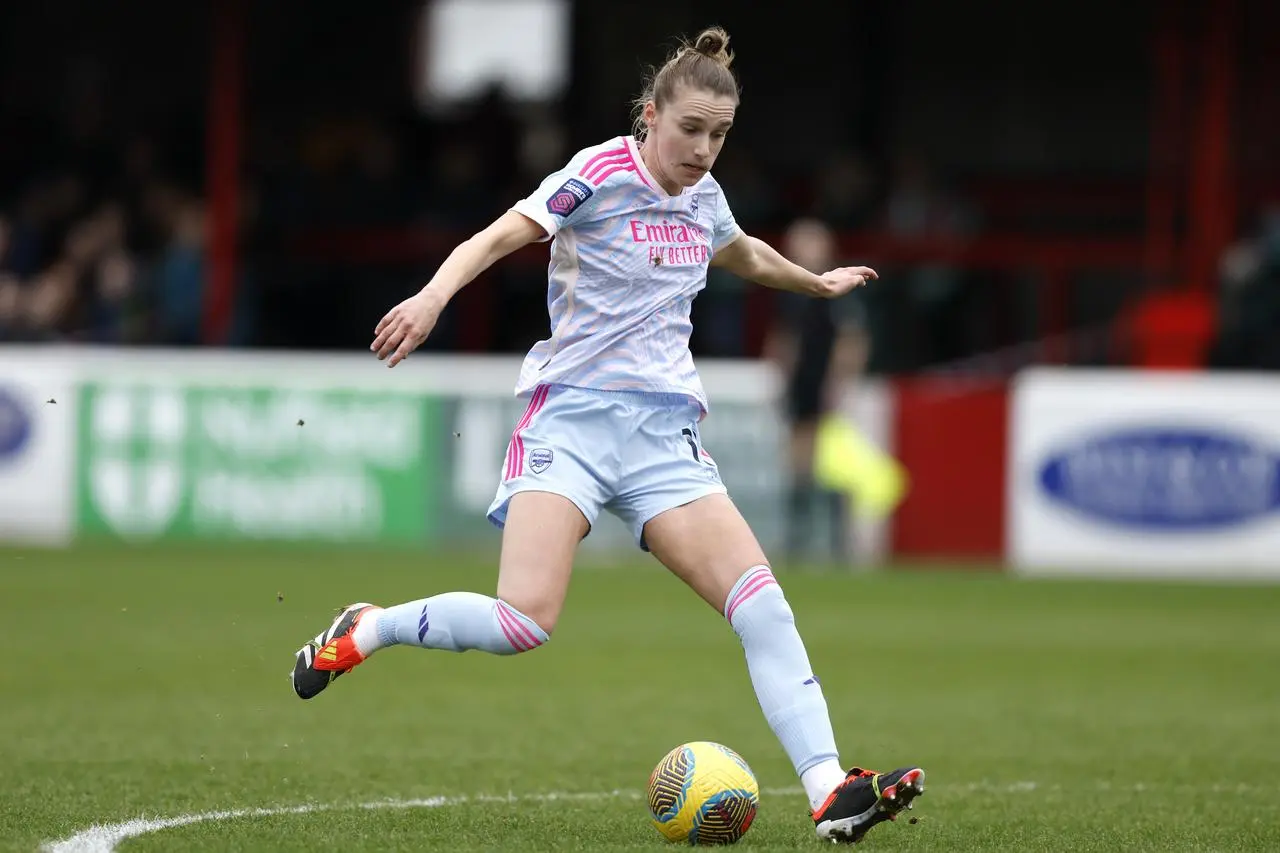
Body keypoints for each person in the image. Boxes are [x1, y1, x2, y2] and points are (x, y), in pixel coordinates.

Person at [290, 27, 923, 844]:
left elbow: (743, 254)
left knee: (763, 605)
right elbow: (496, 236)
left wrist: (813, 282)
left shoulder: (704, 196)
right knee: (524, 620)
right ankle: (367, 626)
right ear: (651, 116)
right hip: (573, 422)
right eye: (690, 130)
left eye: (720, 135)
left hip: (663, 437)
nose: (703, 150)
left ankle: (830, 788)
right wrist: (431, 298)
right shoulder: (596, 173)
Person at [766, 218, 871, 563]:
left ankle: (838, 541)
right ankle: (801, 538)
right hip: (802, 386)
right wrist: (782, 376)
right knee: (799, 463)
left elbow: (851, 340)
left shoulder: (836, 289)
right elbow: (785, 339)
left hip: (826, 386)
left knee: (831, 463)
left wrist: (839, 382)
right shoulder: (793, 291)